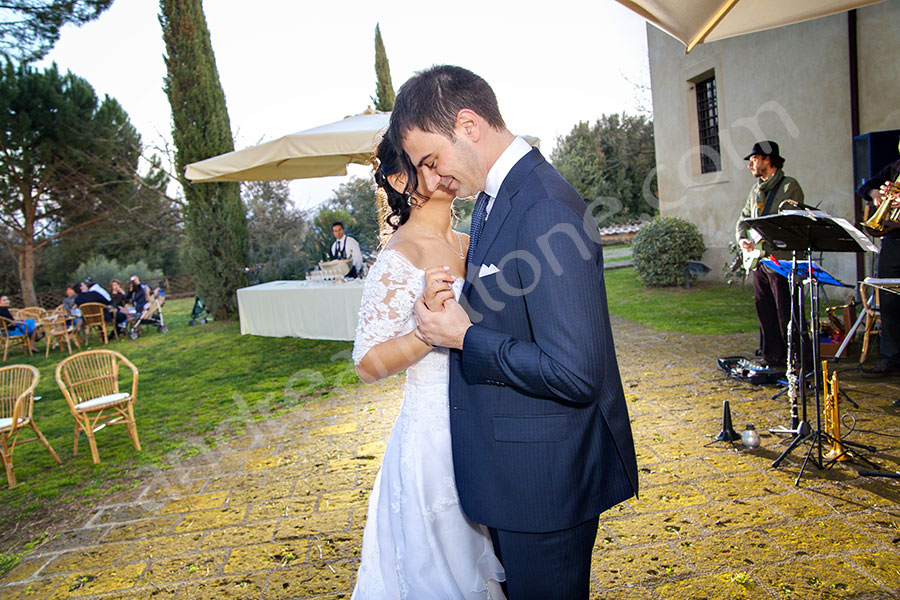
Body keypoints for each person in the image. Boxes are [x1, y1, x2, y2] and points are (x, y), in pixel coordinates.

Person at [391, 65, 638, 600]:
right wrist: (453, 310)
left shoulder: (544, 206)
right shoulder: (495, 200)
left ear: (469, 123)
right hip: (514, 479)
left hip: (544, 486)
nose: (431, 182)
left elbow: (575, 373)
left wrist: (464, 338)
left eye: (431, 160)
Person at [351, 135, 505, 598]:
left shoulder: (471, 241)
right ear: (400, 178)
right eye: (428, 164)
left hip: (488, 422)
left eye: (443, 160)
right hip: (435, 442)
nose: (443, 171)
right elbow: (366, 363)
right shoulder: (400, 257)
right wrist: (424, 332)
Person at [735, 141, 805, 369]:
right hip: (760, 260)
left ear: (768, 159)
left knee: (787, 313)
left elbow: (791, 221)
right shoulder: (755, 190)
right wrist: (742, 238)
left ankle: (798, 360)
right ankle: (772, 357)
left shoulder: (789, 187)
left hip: (782, 260)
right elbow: (743, 219)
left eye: (753, 159)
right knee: (765, 313)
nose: (750, 165)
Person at [858, 152, 900, 378]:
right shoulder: (895, 167)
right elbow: (865, 187)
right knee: (889, 301)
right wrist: (875, 194)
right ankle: (892, 357)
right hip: (894, 242)